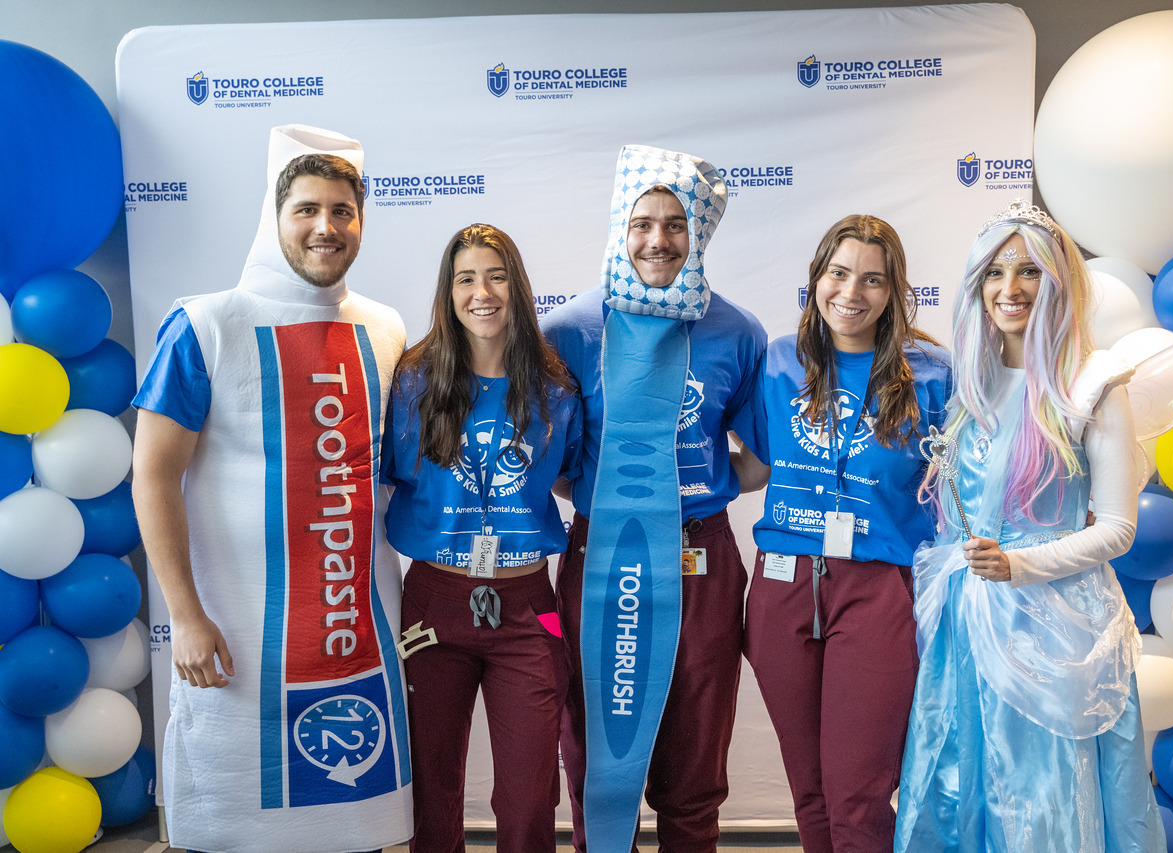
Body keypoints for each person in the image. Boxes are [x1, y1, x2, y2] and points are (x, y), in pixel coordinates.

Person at [132, 126, 412, 853]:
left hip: (353, 637)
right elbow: (153, 473)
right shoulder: (206, 323)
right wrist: (184, 614)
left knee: (351, 829)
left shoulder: (383, 328)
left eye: (344, 211)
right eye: (308, 209)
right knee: (229, 827)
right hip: (236, 642)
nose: (327, 227)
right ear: (275, 216)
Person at [893, 200, 1164, 852]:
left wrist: (1021, 564)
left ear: (1058, 281)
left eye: (1029, 271)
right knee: (961, 778)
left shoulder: (1094, 383)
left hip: (1056, 629)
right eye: (994, 272)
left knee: (1043, 795)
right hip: (969, 614)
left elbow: (1119, 528)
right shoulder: (968, 384)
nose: (1009, 289)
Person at [541, 145, 767, 853]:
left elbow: (759, 460)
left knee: (695, 753)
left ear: (698, 233)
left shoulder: (735, 330)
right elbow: (550, 460)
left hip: (702, 558)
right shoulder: (570, 330)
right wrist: (611, 500)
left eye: (677, 225)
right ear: (620, 226)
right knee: (596, 751)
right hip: (600, 556)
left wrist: (697, 485)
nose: (659, 240)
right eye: (644, 223)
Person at [731, 215, 951, 853]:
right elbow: (756, 466)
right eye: (839, 273)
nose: (852, 292)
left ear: (893, 292)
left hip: (879, 588)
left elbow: (966, 485)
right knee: (810, 788)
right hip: (782, 586)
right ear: (817, 278)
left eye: (873, 280)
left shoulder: (932, 375)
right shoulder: (778, 361)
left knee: (858, 790)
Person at [381, 223, 581, 853]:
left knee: (528, 794)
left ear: (517, 288)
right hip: (435, 604)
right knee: (431, 785)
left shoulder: (556, 390)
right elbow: (382, 480)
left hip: (528, 607)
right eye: (465, 278)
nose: (482, 292)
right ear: (448, 292)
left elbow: (577, 481)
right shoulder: (412, 382)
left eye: (496, 276)